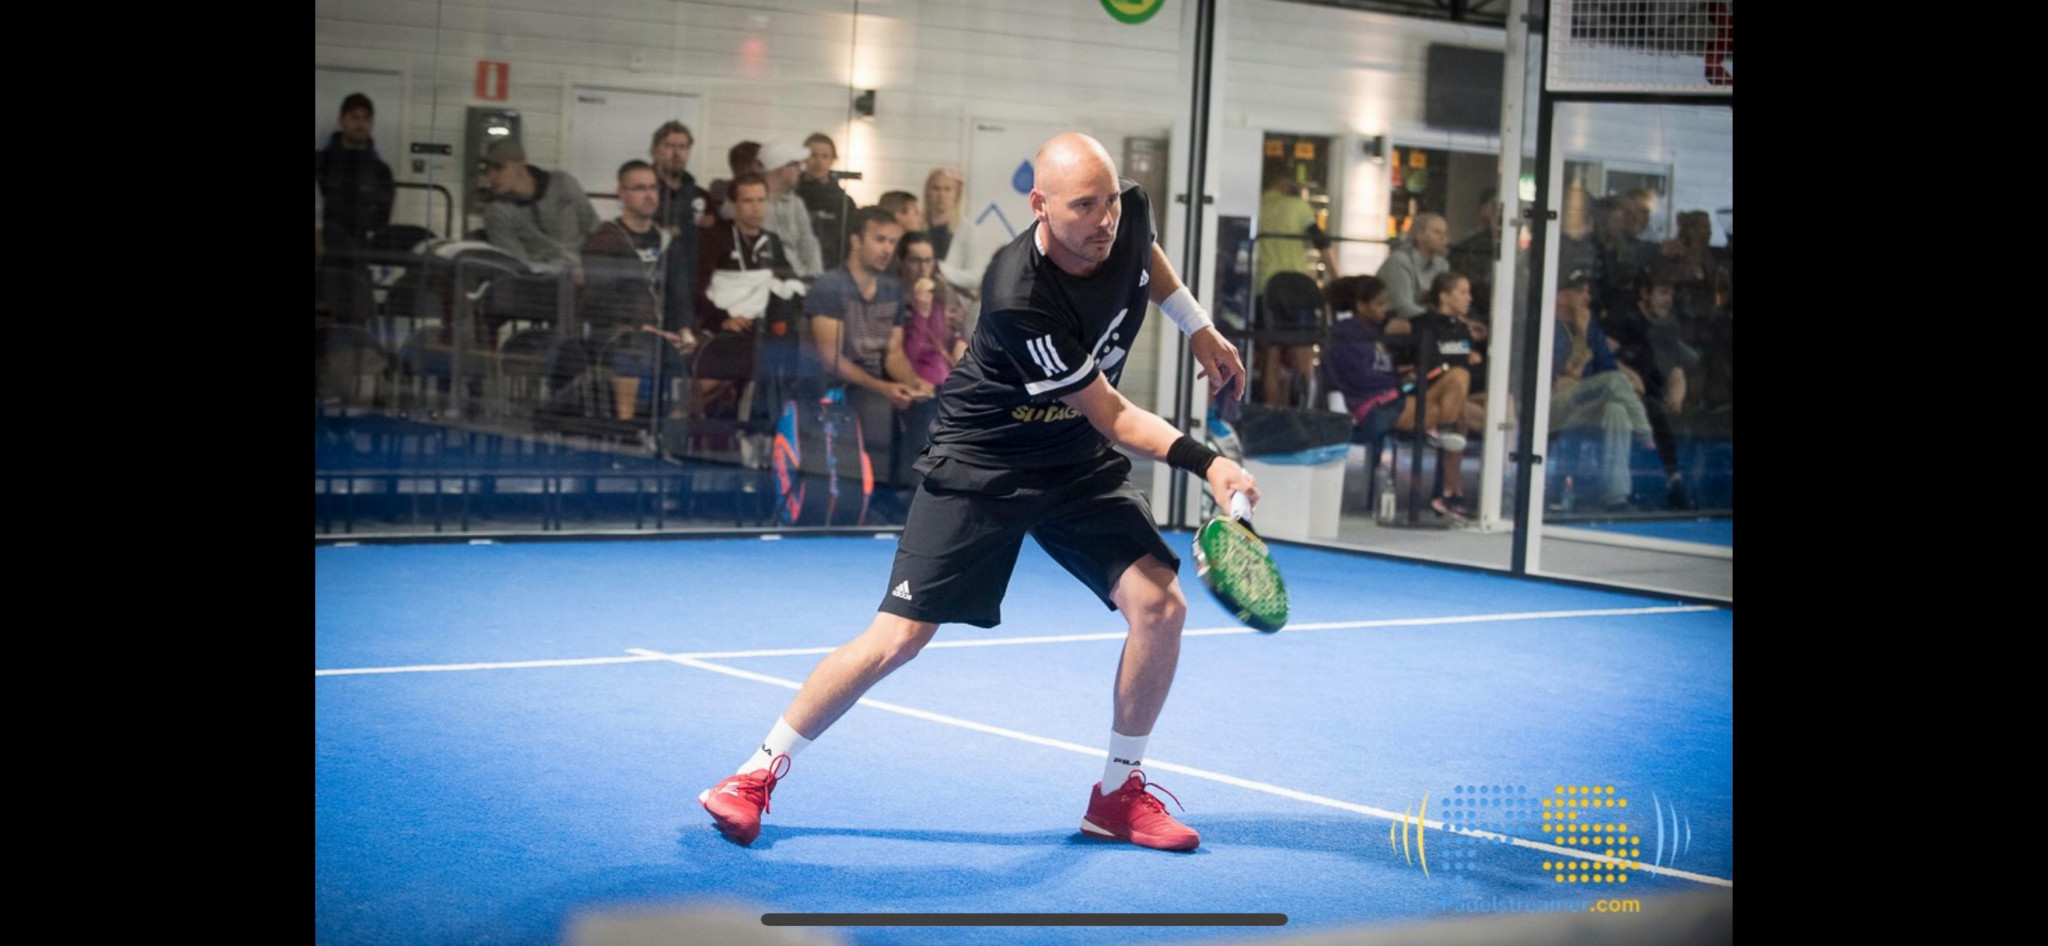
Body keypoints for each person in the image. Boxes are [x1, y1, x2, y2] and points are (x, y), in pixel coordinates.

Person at [698, 132, 1255, 852]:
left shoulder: (1126, 217)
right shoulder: (1021, 296)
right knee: (899, 638)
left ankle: (1117, 797)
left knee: (1160, 606)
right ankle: (752, 776)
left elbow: (1145, 255)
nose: (1104, 221)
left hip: (1071, 461)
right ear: (1040, 205)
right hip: (983, 462)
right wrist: (1209, 464)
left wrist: (1197, 327)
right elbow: (1114, 416)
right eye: (1083, 207)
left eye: (1110, 202)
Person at [805, 205, 931, 488]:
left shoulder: (891, 289)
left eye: (892, 242)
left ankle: (912, 493)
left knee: (926, 404)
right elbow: (831, 359)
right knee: (877, 404)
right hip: (836, 384)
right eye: (879, 239)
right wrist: (884, 388)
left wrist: (913, 383)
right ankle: (875, 494)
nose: (887, 249)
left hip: (876, 381)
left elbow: (894, 353)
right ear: (856, 240)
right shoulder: (830, 286)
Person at [577, 160, 694, 420]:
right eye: (640, 188)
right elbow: (600, 299)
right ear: (622, 193)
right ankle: (626, 428)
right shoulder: (604, 239)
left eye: (653, 188)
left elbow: (681, 293)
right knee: (635, 348)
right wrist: (643, 327)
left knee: (703, 354)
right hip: (616, 332)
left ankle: (672, 431)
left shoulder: (667, 241)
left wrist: (685, 330)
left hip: (662, 334)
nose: (649, 195)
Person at [1551, 266, 1655, 512]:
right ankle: (1646, 434)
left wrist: (1586, 333)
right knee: (1615, 381)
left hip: (1582, 401)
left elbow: (1606, 364)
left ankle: (1616, 498)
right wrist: (1582, 335)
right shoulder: (1548, 326)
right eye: (1580, 292)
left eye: (1588, 292)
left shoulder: (1589, 325)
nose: (1587, 298)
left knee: (1617, 410)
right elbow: (1570, 373)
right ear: (1561, 295)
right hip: (1551, 405)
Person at [1605, 266, 1699, 509]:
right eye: (1663, 293)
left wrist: (1677, 395)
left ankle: (1685, 482)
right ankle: (1674, 481)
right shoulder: (1623, 319)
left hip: (1654, 395)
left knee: (1685, 414)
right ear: (1644, 293)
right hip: (1623, 394)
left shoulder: (1667, 327)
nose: (1668, 300)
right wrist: (1627, 374)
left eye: (1671, 294)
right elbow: (1602, 356)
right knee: (1654, 412)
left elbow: (1676, 371)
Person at [1253, 167, 1336, 406]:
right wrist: (1338, 278)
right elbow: (1320, 242)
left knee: (1272, 353)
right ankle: (1306, 409)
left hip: (1266, 285)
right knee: (1304, 352)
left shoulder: (1258, 205)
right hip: (1298, 285)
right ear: (1282, 180)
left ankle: (1271, 411)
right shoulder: (1298, 205)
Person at [1407, 270, 1486, 520]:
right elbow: (1423, 366)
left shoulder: (1462, 329)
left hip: (1456, 398)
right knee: (1459, 378)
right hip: (1428, 394)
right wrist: (1458, 364)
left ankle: (1457, 490)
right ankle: (1450, 491)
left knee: (1495, 404)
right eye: (1463, 292)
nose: (1469, 298)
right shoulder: (1423, 324)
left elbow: (1473, 368)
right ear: (1444, 296)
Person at [314, 93, 396, 303]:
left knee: (356, 317)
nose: (361, 124)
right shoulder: (321, 163)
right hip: (322, 256)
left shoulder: (381, 172)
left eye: (366, 118)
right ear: (342, 120)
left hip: (359, 259)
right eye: (354, 117)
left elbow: (382, 220)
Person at [480, 139, 600, 273]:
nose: (491, 177)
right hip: (540, 280)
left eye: (498, 168)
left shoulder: (562, 184)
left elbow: (593, 229)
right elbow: (516, 264)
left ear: (520, 164)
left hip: (585, 273)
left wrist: (591, 269)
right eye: (487, 170)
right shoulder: (497, 212)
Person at [650, 121, 712, 346]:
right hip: (655, 291)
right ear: (654, 150)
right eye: (669, 146)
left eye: (683, 147)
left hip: (694, 295)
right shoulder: (646, 192)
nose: (676, 153)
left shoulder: (699, 196)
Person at [759, 141, 827, 279]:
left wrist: (815, 279)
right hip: (765, 278)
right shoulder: (754, 201)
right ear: (780, 168)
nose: (800, 170)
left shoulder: (796, 203)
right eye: (796, 165)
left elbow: (809, 244)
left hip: (799, 278)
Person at [797, 133, 860, 268]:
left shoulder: (844, 203)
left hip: (831, 269)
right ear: (803, 158)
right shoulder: (791, 196)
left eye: (825, 156)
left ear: (832, 160)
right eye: (813, 155)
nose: (818, 162)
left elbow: (850, 244)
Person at [922, 165, 983, 303]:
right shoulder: (917, 225)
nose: (941, 195)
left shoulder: (967, 229)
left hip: (952, 305)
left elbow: (976, 277)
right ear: (928, 192)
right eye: (936, 188)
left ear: (956, 194)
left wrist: (941, 269)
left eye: (947, 189)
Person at [1375, 211, 1450, 320]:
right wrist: (1440, 319)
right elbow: (1402, 307)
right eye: (1437, 232)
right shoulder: (1399, 261)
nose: (1443, 237)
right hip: (1393, 321)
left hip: (1428, 321)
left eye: (1445, 233)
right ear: (1418, 235)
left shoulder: (1442, 265)